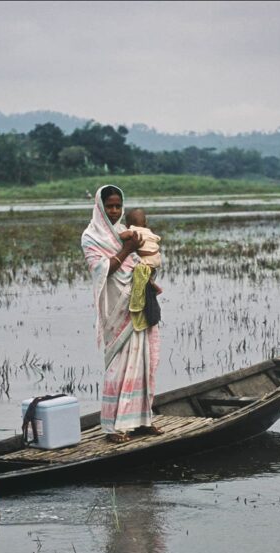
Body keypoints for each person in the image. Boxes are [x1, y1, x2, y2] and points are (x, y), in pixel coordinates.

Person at [81, 185, 162, 444]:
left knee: (144, 362)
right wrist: (127, 249)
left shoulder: (127, 232)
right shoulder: (91, 237)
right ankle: (113, 428)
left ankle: (141, 421)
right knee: (118, 368)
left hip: (137, 305)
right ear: (100, 207)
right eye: (110, 206)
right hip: (116, 311)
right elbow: (103, 270)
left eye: (118, 206)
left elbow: (144, 261)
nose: (115, 211)